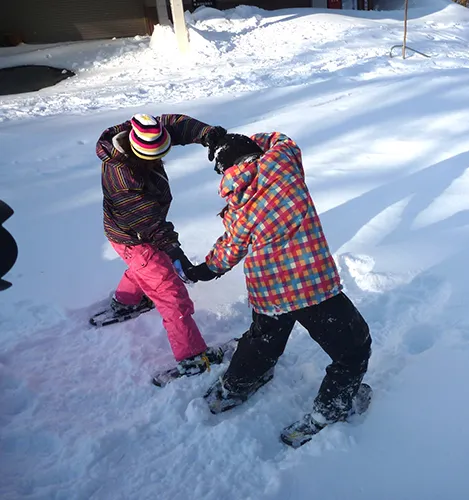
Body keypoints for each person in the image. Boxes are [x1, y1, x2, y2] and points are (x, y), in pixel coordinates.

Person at [185, 132, 372, 443]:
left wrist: (205, 269)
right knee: (354, 349)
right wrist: (240, 138)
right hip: (312, 287)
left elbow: (229, 250)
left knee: (264, 339)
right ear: (255, 151)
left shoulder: (236, 204)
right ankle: (332, 408)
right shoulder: (282, 166)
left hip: (268, 289)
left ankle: (235, 387)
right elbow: (281, 139)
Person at [97, 113, 229, 379]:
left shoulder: (139, 130)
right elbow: (149, 222)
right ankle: (191, 356)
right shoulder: (124, 178)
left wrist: (207, 133)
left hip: (131, 235)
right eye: (153, 157)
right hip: (135, 235)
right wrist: (174, 249)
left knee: (147, 266)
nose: (159, 160)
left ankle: (126, 301)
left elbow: (175, 125)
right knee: (171, 295)